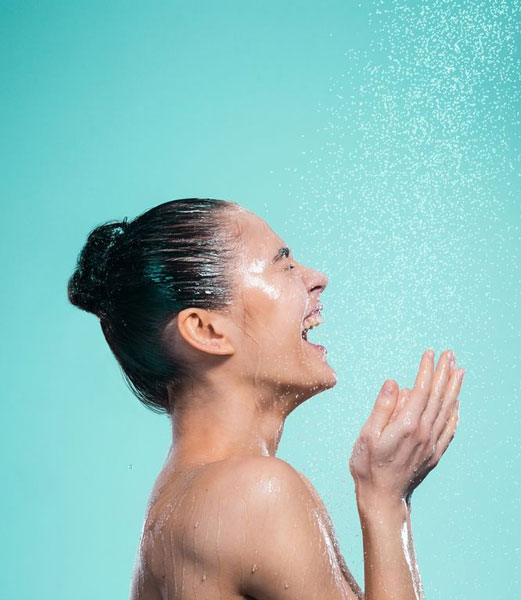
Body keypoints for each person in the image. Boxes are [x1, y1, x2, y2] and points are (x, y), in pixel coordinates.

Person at [67, 198, 465, 600]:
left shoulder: (180, 502)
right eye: (285, 265)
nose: (317, 278)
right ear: (206, 330)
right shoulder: (254, 494)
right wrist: (386, 501)